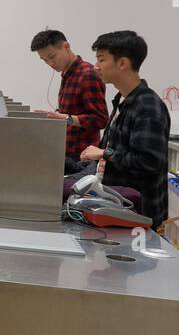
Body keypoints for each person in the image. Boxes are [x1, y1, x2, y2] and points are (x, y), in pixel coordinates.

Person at [79, 31, 170, 229]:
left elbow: (148, 162)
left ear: (122, 64)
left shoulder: (148, 106)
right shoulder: (122, 101)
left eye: (101, 60)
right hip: (117, 204)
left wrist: (105, 152)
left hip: (137, 213)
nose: (96, 66)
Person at [30, 28, 108, 172]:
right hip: (68, 152)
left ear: (66, 46)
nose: (50, 63)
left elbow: (100, 119)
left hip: (82, 158)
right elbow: (72, 111)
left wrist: (65, 118)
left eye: (52, 56)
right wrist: (53, 117)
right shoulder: (67, 74)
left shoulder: (87, 74)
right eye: (44, 60)